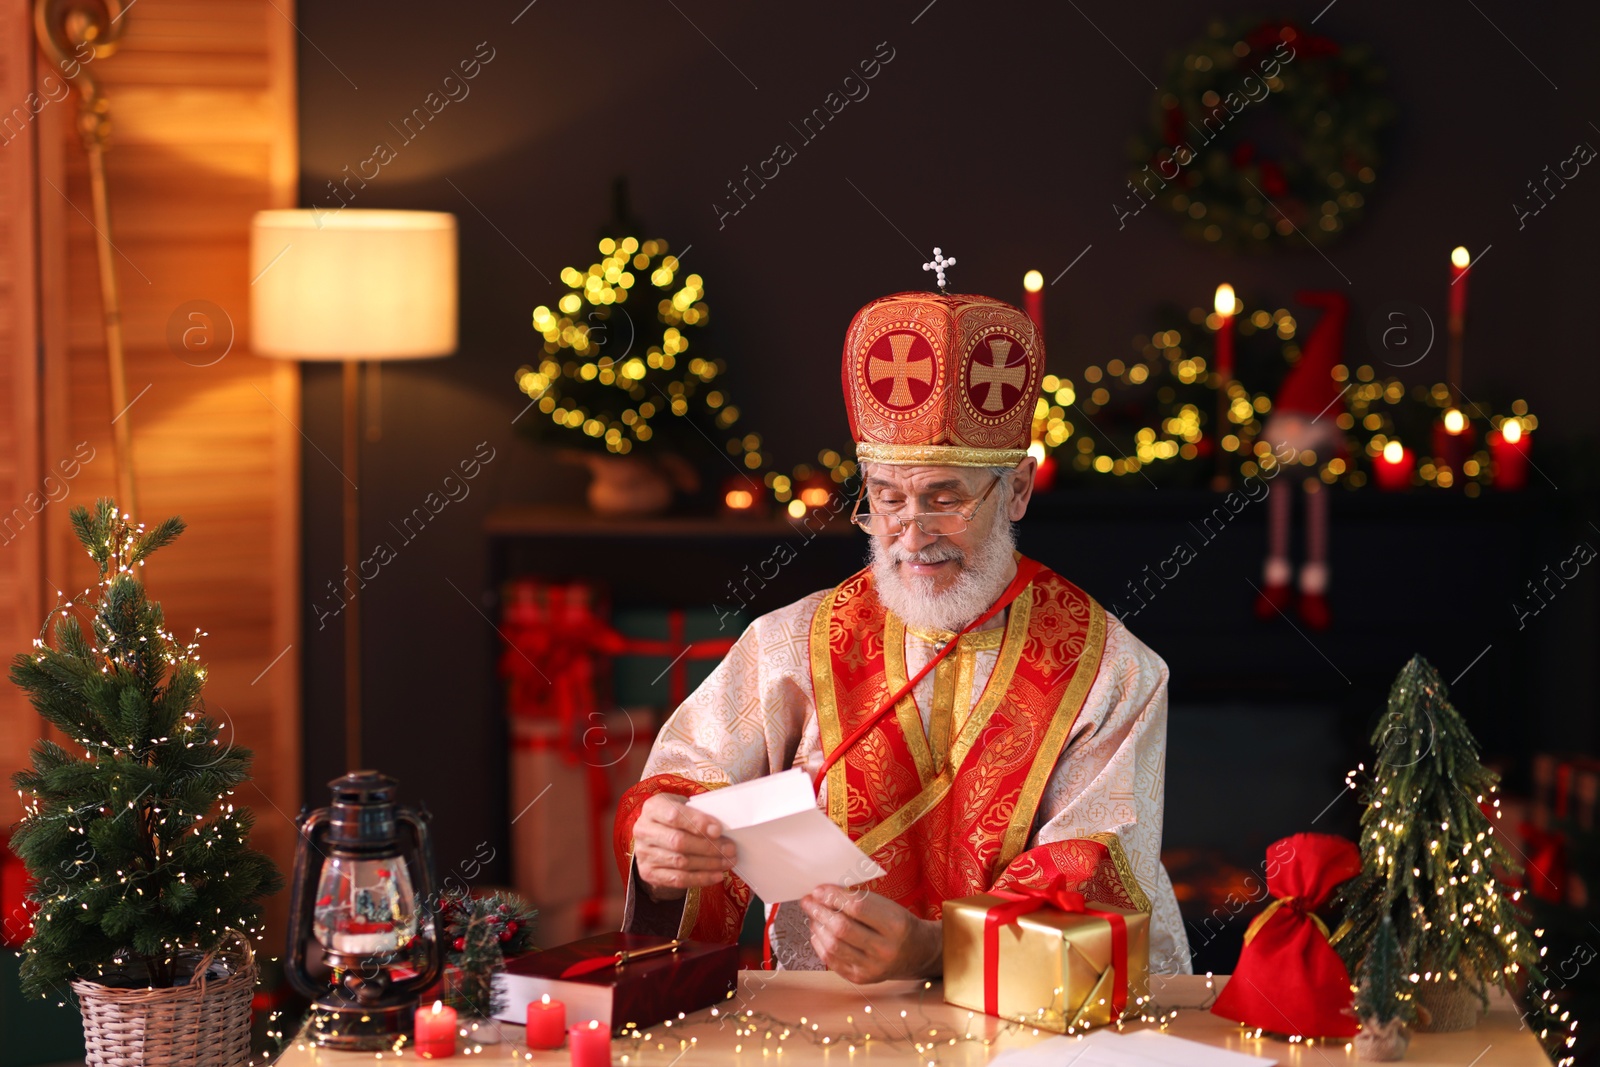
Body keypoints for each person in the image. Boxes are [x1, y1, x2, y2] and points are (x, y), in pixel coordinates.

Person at [614, 286, 1192, 982]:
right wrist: (664, 853)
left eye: (945, 498)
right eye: (887, 497)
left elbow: (1095, 890)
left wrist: (937, 950)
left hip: (1020, 1038)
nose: (911, 535)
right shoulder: (788, 643)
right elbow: (683, 792)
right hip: (812, 1027)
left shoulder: (1112, 670)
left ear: (1016, 490)